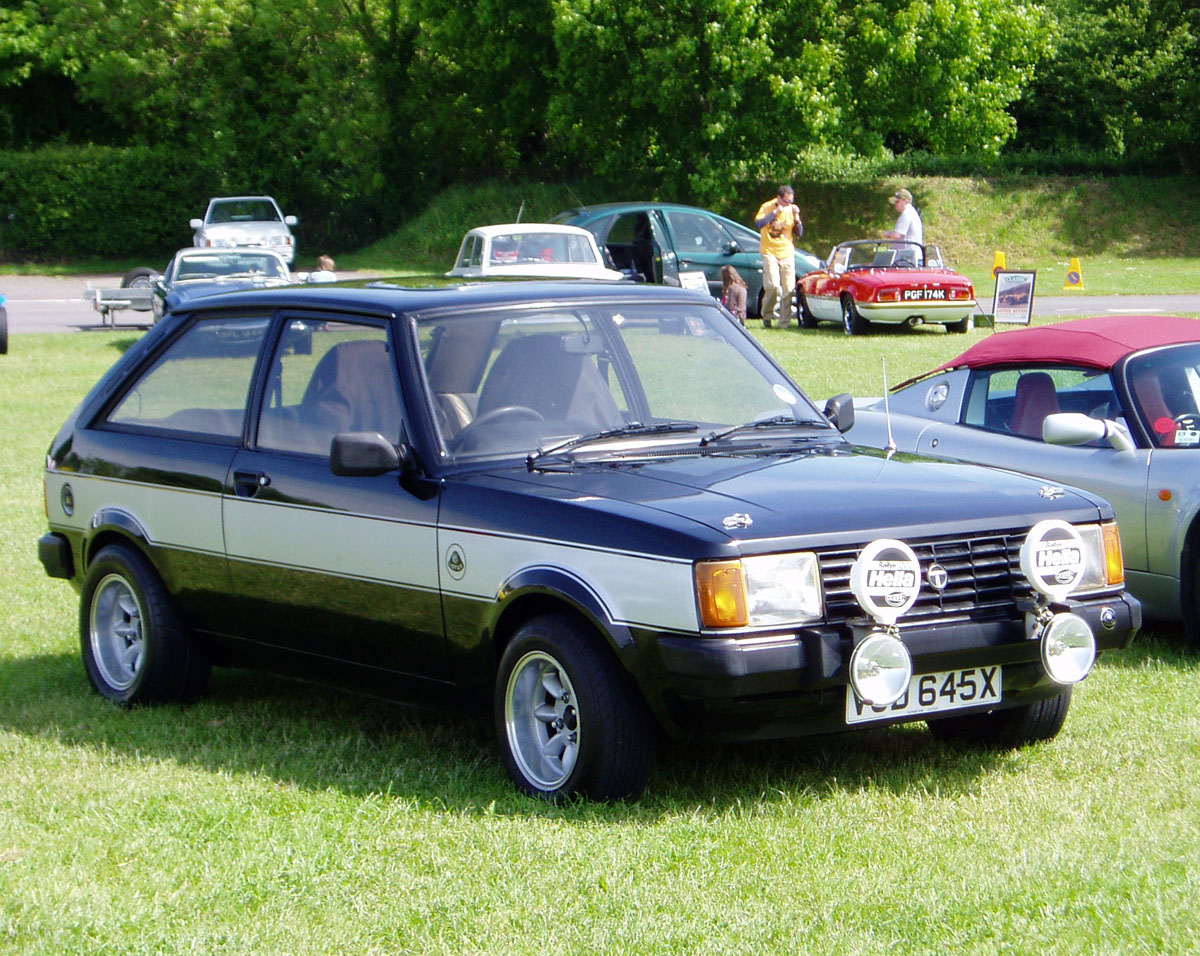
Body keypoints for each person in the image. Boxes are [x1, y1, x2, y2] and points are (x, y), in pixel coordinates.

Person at [753, 185, 803, 328]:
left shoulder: (791, 210)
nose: (788, 204)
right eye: (786, 201)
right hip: (769, 250)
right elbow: (759, 224)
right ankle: (767, 314)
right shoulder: (767, 207)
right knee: (773, 285)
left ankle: (784, 322)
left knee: (788, 288)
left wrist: (797, 218)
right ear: (779, 198)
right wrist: (775, 212)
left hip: (786, 251)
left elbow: (799, 233)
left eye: (791, 201)